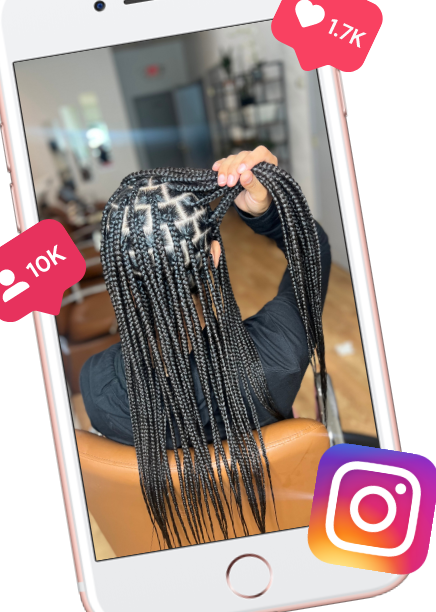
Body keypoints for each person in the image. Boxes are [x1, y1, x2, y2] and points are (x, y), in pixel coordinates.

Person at [79, 146, 331, 547]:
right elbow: (311, 250)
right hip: (292, 532)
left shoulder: (97, 384)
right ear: (213, 255)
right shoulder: (276, 354)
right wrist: (265, 210)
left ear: (117, 273)